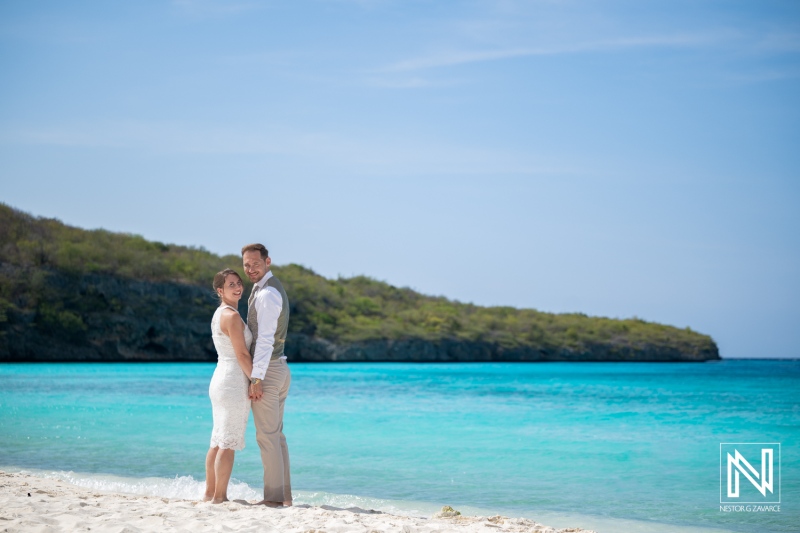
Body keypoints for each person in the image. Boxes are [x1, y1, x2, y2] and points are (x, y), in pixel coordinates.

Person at [242, 243, 292, 507]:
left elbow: (265, 340)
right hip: (279, 368)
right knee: (276, 436)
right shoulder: (264, 289)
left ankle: (273, 499)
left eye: (256, 264)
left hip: (269, 372)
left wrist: (256, 378)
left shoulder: (267, 294)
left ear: (268, 261)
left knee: (267, 438)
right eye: (247, 265)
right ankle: (284, 497)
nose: (251, 269)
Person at [204, 268, 255, 504]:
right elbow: (243, 355)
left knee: (218, 440)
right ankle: (220, 497)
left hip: (221, 379)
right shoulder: (232, 316)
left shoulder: (220, 313)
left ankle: (209, 494)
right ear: (220, 290)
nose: (237, 287)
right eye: (230, 284)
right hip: (233, 381)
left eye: (238, 283)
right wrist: (256, 380)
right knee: (227, 442)